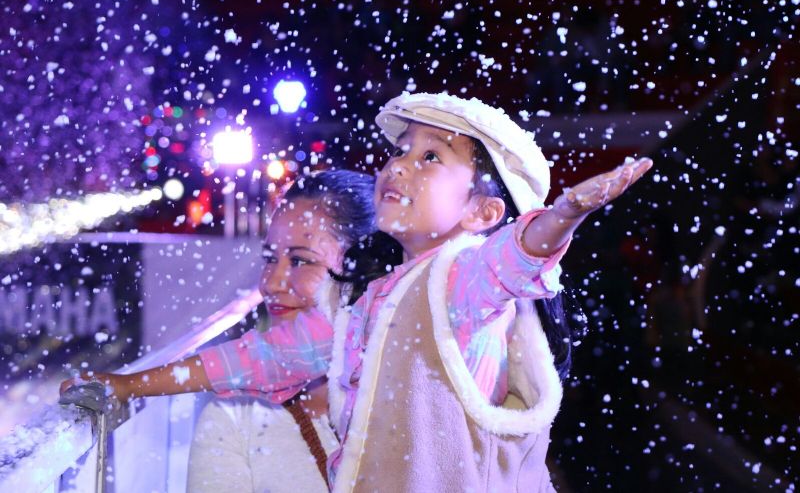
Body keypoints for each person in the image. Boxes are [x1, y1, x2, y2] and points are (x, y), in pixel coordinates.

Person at [322, 91, 652, 492]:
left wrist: (563, 217)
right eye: (400, 152)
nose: (400, 167)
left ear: (482, 213)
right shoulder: (373, 295)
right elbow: (282, 354)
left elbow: (514, 257)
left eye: (430, 157)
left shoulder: (462, 278)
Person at [61, 169, 379, 493]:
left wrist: (131, 385)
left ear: (367, 271)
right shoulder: (235, 420)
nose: (270, 283)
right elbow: (257, 358)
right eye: (269, 258)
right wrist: (129, 385)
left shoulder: (418, 389)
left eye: (300, 261)